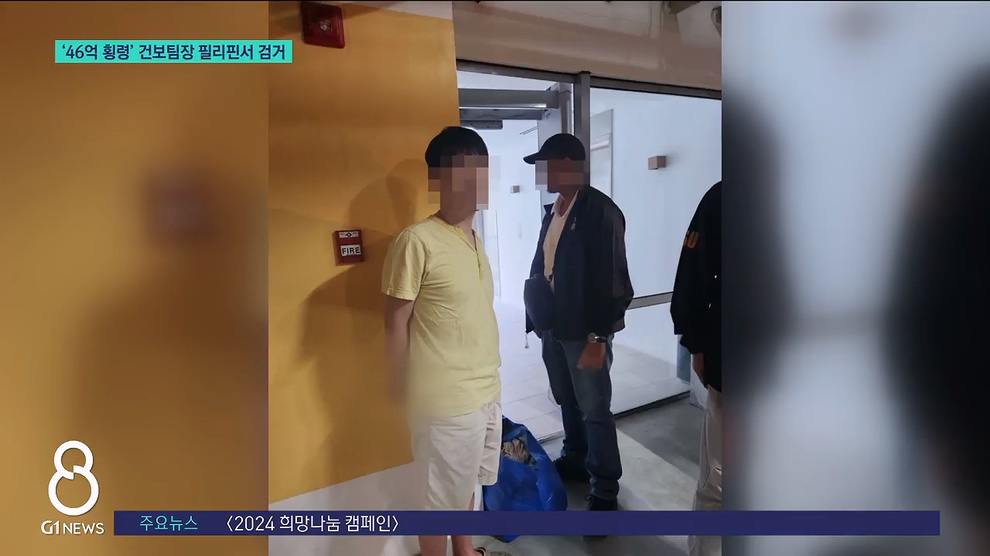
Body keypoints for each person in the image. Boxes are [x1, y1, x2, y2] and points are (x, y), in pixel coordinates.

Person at [381, 126, 509, 556]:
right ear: (437, 179)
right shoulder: (416, 241)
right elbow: (394, 324)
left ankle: (465, 551)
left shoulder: (474, 240)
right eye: (460, 172)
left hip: (486, 390)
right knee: (437, 503)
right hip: (445, 402)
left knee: (465, 484)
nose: (473, 182)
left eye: (480, 171)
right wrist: (398, 391)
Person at [522, 132, 633, 513]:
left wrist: (598, 338)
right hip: (554, 327)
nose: (541, 173)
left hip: (586, 332)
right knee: (566, 398)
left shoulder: (600, 212)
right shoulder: (553, 211)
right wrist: (536, 317)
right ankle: (575, 458)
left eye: (546, 165)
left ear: (568, 164)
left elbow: (613, 282)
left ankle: (605, 487)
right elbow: (542, 264)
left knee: (595, 408)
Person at [670, 180, 722, 556]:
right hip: (732, 361)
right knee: (718, 480)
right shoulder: (722, 198)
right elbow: (693, 274)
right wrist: (698, 345)